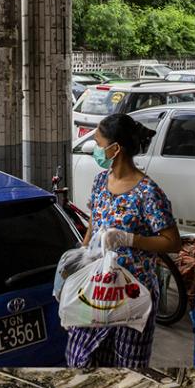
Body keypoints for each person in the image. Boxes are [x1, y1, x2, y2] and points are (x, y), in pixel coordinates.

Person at [65, 112, 181, 370]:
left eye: (98, 143)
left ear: (115, 148)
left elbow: (172, 242)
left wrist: (130, 239)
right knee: (81, 358)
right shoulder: (99, 182)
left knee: (129, 366)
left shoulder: (147, 192)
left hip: (133, 293)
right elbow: (94, 225)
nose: (95, 149)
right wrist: (82, 255)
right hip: (97, 288)